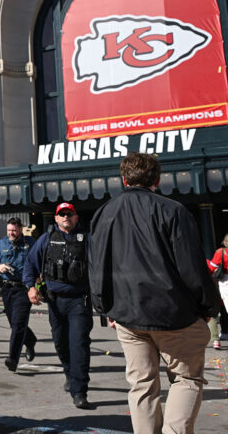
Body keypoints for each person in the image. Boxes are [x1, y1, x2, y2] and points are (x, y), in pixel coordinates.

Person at [89, 152, 221, 434]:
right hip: (173, 313)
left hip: (127, 314)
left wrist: (104, 308)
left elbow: (96, 265)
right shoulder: (172, 210)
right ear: (158, 180)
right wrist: (209, 307)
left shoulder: (104, 213)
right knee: (186, 379)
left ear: (123, 179)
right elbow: (192, 268)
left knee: (142, 385)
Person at [24, 203, 93, 409]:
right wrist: (31, 286)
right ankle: (69, 373)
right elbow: (30, 264)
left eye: (69, 214)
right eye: (61, 215)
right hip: (54, 301)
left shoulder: (87, 239)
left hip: (79, 300)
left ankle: (80, 391)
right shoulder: (46, 239)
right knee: (61, 343)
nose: (65, 217)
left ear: (76, 217)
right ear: (55, 218)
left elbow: (99, 266)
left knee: (79, 344)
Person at [0, 218, 37, 371]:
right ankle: (31, 340)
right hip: (7, 289)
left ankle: (12, 359)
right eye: (8, 230)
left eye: (13, 230)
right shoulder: (1, 244)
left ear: (20, 229)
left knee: (19, 323)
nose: (11, 233)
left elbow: (39, 258)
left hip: (23, 288)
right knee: (14, 324)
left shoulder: (30, 243)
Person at [209, 234, 228, 347]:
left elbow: (211, 267)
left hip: (225, 281)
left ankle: (216, 339)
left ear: (224, 242)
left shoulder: (220, 252)